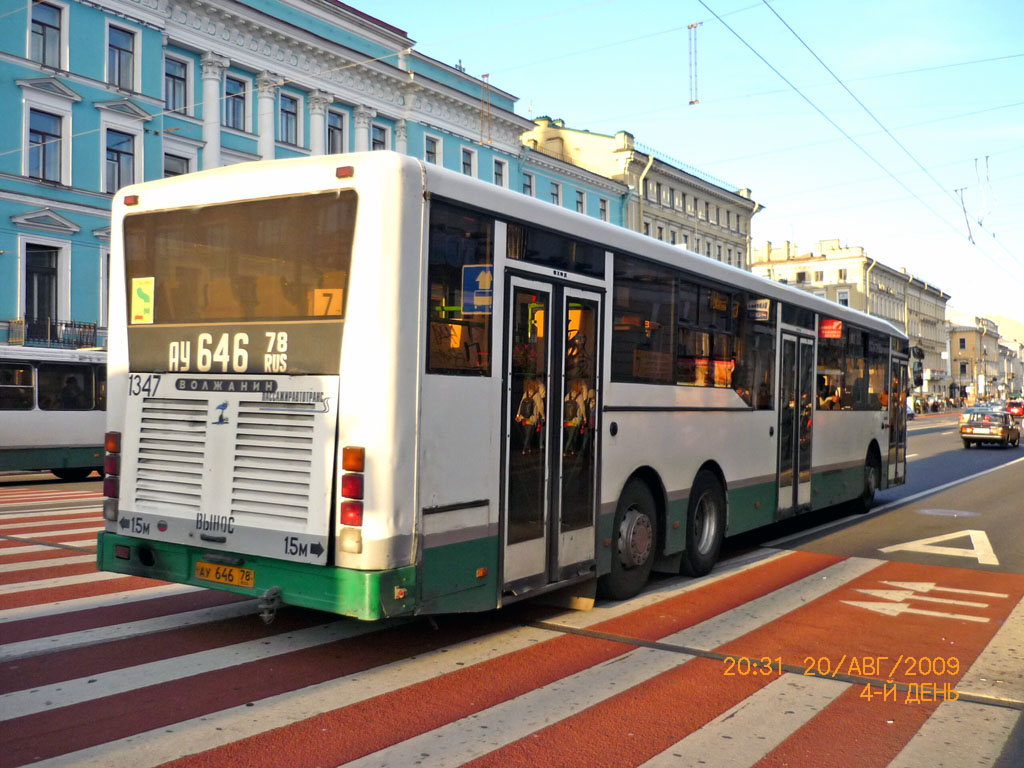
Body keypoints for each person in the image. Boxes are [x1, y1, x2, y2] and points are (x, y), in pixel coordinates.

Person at [515, 378, 545, 453]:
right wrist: (543, 416)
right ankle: (524, 449)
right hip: (532, 417)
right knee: (529, 434)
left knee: (527, 433)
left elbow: (521, 405)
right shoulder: (537, 395)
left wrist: (518, 415)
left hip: (524, 417)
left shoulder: (526, 393)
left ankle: (528, 448)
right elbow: (540, 407)